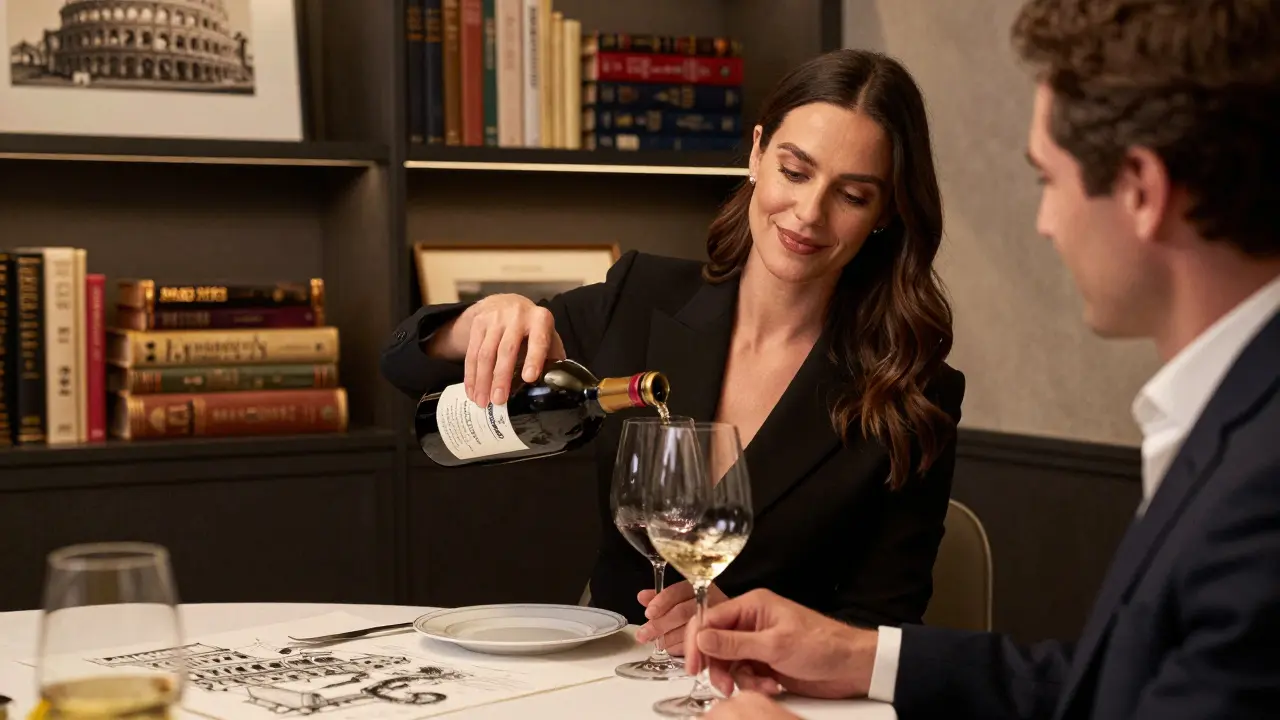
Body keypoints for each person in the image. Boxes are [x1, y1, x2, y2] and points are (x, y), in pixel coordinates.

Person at [682, 0, 1280, 718]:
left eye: (1047, 180)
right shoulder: (1236, 415)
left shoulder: (1263, 482)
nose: (1045, 224)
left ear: (1142, 193)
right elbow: (1109, 687)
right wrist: (855, 654)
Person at [380, 49, 966, 642]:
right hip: (601, 679)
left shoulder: (915, 392)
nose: (809, 213)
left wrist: (751, 633)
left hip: (766, 699)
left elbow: (884, 628)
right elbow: (404, 369)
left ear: (886, 211)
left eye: (853, 196)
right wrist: (477, 323)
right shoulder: (641, 297)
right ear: (758, 154)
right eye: (794, 171)